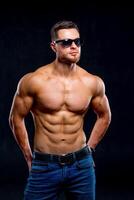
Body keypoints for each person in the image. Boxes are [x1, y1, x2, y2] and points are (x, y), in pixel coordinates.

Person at [9, 20, 111, 200]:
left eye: (77, 42)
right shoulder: (34, 81)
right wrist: (28, 157)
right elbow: (15, 119)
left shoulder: (92, 82)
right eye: (66, 42)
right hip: (45, 166)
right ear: (53, 46)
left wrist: (90, 149)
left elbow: (105, 116)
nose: (73, 46)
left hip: (81, 166)